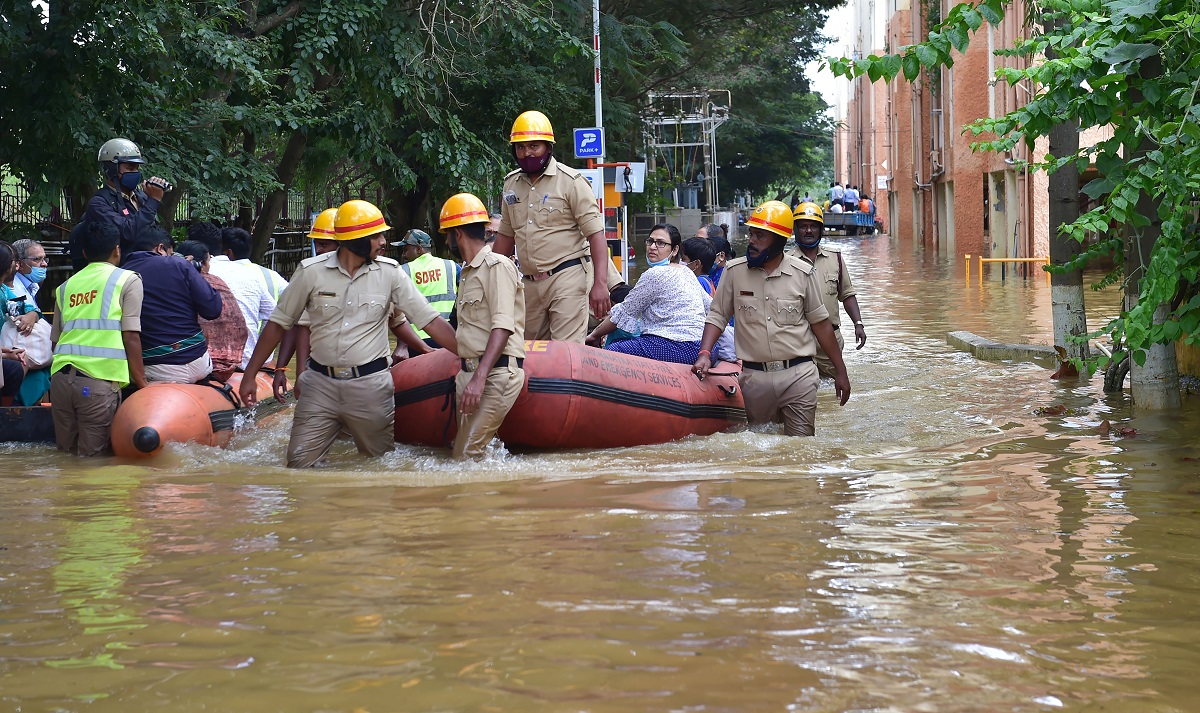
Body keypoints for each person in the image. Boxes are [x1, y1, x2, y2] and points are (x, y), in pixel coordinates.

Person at [239, 200, 459, 468]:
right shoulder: (311, 272)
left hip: (371, 387)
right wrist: (251, 375)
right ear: (355, 240)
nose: (383, 242)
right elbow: (279, 324)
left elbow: (430, 321)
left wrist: (469, 354)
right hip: (319, 386)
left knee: (378, 466)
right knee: (299, 467)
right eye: (376, 236)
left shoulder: (391, 274)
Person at [693, 200, 850, 437]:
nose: (752, 241)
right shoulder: (734, 272)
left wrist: (840, 371)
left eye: (760, 236)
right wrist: (704, 353)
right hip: (754, 379)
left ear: (778, 241)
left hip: (799, 376)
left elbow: (822, 326)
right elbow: (717, 316)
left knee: (799, 448)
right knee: (762, 447)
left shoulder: (802, 273)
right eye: (752, 234)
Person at [494, 110, 609, 342]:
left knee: (565, 352)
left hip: (567, 276)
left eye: (534, 146)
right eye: (520, 147)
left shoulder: (571, 182)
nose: (527, 153)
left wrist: (601, 284)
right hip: (528, 282)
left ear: (548, 147)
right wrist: (487, 278)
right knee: (527, 350)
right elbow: (505, 239)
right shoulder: (510, 185)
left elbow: (596, 235)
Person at [49, 221, 147, 456]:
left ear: (84, 253)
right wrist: (143, 384)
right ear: (117, 249)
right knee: (94, 465)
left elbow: (56, 340)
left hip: (60, 381)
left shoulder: (65, 287)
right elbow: (131, 336)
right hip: (97, 382)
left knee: (66, 455)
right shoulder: (127, 280)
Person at [439, 193, 525, 459]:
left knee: (465, 456)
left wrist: (479, 378)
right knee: (470, 454)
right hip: (471, 375)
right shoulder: (467, 273)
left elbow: (503, 325)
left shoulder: (496, 266)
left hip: (495, 375)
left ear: (458, 234)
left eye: (447, 235)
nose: (446, 241)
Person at [585, 224, 708, 365]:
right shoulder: (686, 271)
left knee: (613, 350)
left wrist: (594, 335)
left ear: (674, 250)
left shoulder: (654, 273)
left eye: (660, 243)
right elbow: (710, 306)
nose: (653, 247)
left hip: (680, 347)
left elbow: (624, 312)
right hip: (703, 346)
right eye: (650, 241)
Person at [123, 227, 223, 383]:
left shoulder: (119, 274)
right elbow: (213, 309)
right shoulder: (178, 264)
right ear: (160, 248)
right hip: (197, 362)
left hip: (151, 369)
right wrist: (190, 271)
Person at [790, 202, 867, 378]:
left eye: (813, 226)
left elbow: (847, 294)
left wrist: (858, 324)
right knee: (801, 391)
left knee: (833, 393)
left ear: (821, 230)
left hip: (831, 340)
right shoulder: (786, 262)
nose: (808, 231)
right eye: (803, 226)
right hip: (798, 341)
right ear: (795, 229)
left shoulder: (835, 258)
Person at [83, 138, 173, 259]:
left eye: (137, 168)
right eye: (130, 169)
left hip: (148, 262)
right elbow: (127, 232)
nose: (135, 172)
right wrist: (153, 201)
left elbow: (152, 232)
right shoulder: (99, 204)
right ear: (111, 169)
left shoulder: (140, 196)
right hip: (122, 268)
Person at [201, 226, 276, 369]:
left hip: (209, 361)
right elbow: (278, 316)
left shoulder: (201, 274)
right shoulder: (253, 274)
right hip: (248, 359)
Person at [176, 238, 248, 382]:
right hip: (222, 364)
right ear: (201, 264)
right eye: (208, 261)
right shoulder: (216, 283)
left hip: (180, 360)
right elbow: (236, 324)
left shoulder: (172, 281)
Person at [393, 228, 459, 348]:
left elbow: (398, 312)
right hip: (449, 338)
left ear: (419, 249)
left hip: (416, 342)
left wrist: (401, 346)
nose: (403, 254)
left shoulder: (402, 271)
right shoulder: (452, 266)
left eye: (406, 250)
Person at [11, 239, 47, 310]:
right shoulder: (12, 288)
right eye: (37, 259)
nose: (44, 264)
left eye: (44, 259)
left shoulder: (33, 286)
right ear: (20, 264)